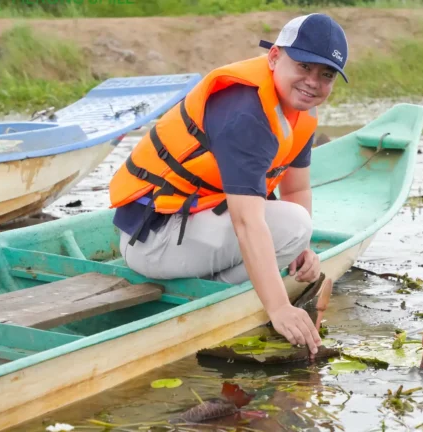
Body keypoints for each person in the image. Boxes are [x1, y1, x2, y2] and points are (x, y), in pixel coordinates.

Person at [107, 13, 349, 356]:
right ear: (275, 57)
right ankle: (212, 292)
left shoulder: (300, 113)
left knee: (298, 228)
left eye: (326, 75)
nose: (313, 82)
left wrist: (304, 249)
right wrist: (279, 308)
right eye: (304, 67)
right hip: (155, 243)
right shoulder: (246, 114)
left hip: (188, 224)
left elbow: (296, 190)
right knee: (294, 225)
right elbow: (247, 223)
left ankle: (220, 283)